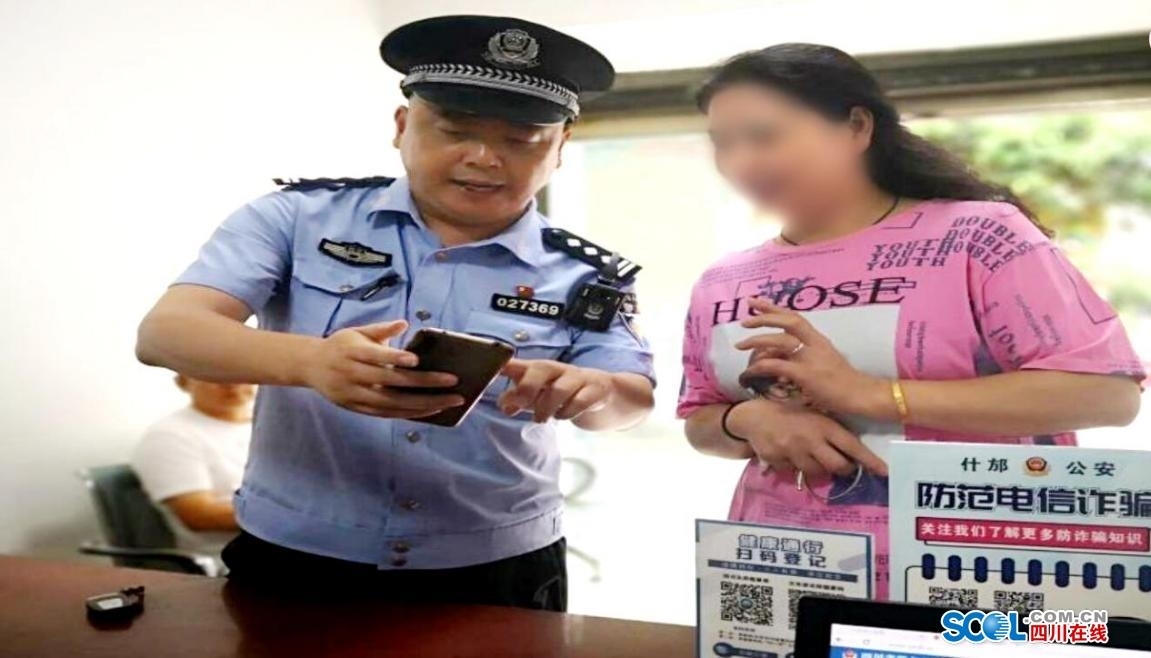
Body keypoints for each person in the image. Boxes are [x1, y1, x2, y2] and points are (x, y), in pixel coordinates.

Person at [135, 15, 654, 611]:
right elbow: (166, 333)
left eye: (521, 140)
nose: (484, 158)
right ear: (403, 126)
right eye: (455, 130)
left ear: (560, 148)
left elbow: (632, 399)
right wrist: (310, 363)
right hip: (298, 558)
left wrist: (590, 392)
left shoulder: (587, 273)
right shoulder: (295, 219)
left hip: (496, 567)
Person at [678, 44, 1144, 599]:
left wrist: (873, 395)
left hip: (973, 567)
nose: (741, 163)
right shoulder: (725, 280)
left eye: (764, 136)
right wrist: (747, 421)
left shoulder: (979, 237)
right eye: (724, 143)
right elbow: (700, 418)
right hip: (785, 569)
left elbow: (1107, 394)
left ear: (856, 127)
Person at [131, 375, 253, 557]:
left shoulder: (270, 425)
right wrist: (288, 517)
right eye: (212, 374)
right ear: (182, 382)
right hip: (237, 556)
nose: (232, 383)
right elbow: (199, 516)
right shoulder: (170, 436)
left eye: (241, 372)